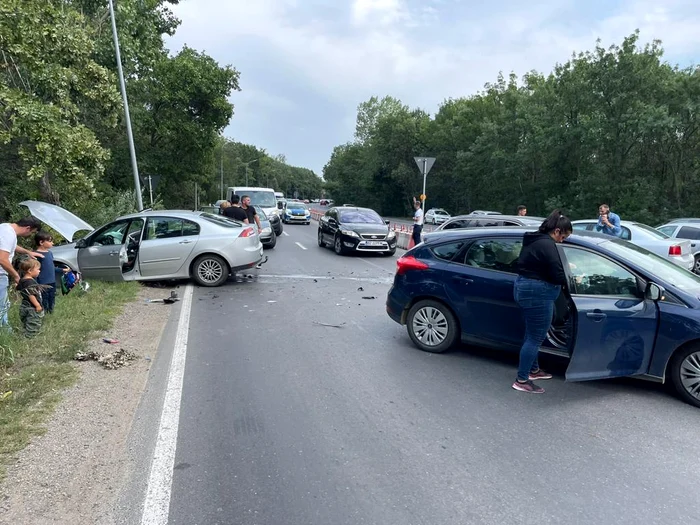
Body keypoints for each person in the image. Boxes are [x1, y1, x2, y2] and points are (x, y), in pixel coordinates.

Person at [512, 210, 571, 394]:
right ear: (558, 231)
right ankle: (522, 380)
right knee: (535, 337)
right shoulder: (548, 245)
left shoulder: (536, 240)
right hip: (537, 293)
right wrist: (574, 275)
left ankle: (533, 370)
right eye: (564, 236)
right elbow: (558, 274)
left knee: (532, 334)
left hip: (526, 288)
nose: (563, 241)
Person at [0, 217, 43, 328]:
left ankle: (6, 330)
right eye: (32, 232)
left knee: (4, 304)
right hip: (0, 274)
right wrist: (16, 275)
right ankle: (4, 332)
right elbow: (2, 259)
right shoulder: (8, 234)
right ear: (27, 228)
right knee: (2, 306)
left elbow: (12, 246)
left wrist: (28, 252)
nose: (30, 235)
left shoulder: (6, 228)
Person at [34, 231, 68, 314]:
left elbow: (51, 267)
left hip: (52, 281)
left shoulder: (49, 253)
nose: (52, 243)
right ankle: (44, 313)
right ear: (41, 242)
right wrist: (36, 283)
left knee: (52, 297)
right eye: (50, 241)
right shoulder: (36, 255)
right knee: (44, 299)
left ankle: (51, 312)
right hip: (42, 282)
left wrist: (62, 270)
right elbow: (34, 270)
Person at [17, 258, 44, 338]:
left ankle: (25, 333)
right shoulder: (30, 282)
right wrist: (37, 305)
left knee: (26, 322)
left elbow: (18, 288)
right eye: (38, 269)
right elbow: (31, 295)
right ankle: (30, 337)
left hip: (24, 305)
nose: (39, 271)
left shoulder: (22, 280)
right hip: (32, 307)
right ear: (30, 270)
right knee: (33, 323)